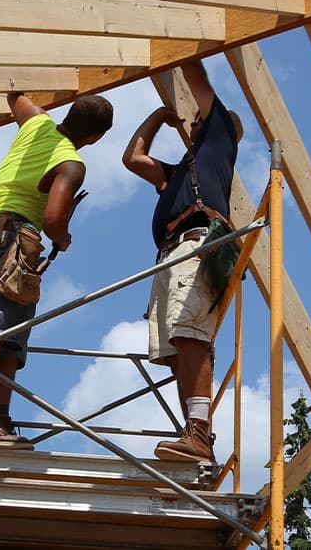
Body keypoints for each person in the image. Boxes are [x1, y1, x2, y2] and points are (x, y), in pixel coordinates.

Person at [0, 91, 112, 449]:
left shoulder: (37, 124)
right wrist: (64, 237)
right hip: (13, 240)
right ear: (96, 137)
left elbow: (16, 95)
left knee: (7, 334)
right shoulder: (71, 162)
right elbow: (54, 218)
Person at [121, 63, 244, 463]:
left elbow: (198, 80)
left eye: (197, 121)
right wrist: (158, 116)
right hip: (171, 254)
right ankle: (193, 433)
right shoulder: (179, 173)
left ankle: (200, 434)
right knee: (176, 346)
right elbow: (133, 158)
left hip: (195, 243)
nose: (192, 123)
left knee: (190, 334)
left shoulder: (219, 142)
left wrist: (186, 49)